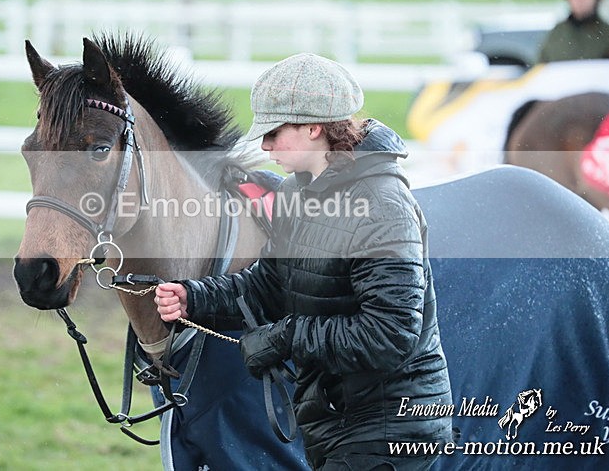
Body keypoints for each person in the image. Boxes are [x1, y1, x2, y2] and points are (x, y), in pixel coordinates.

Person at [155, 53, 453, 470]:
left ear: (314, 127)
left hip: (392, 428)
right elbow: (270, 286)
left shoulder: (383, 206)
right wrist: (194, 299)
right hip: (337, 421)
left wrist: (286, 338)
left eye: (275, 131)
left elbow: (390, 334)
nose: (264, 146)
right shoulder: (297, 194)